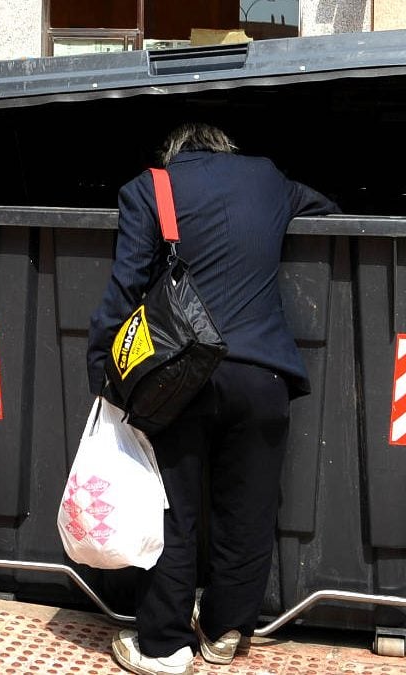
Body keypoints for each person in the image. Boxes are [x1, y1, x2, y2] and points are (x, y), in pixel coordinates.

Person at [87, 122, 339, 675]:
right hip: (264, 374)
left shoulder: (150, 187)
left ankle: (164, 647)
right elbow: (327, 207)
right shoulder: (270, 179)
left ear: (174, 155)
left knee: (172, 508)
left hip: (182, 377)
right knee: (248, 510)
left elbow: (126, 285)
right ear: (226, 150)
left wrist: (100, 362)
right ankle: (225, 631)